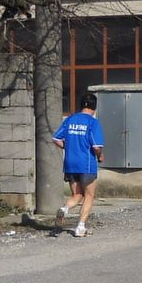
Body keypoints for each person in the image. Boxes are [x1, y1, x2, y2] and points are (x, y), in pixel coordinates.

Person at [52, 92, 105, 237]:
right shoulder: (92, 122)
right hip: (86, 164)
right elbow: (96, 146)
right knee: (89, 195)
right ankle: (80, 227)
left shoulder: (70, 119)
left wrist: (68, 147)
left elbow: (56, 138)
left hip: (70, 164)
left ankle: (64, 209)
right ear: (94, 107)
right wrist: (100, 156)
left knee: (77, 194)